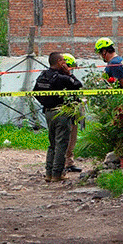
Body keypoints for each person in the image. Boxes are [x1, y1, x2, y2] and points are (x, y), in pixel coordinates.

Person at [33, 52, 83, 182]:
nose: (66, 65)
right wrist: (69, 73)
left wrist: (46, 103)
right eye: (64, 62)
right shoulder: (62, 77)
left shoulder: (43, 76)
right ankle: (57, 174)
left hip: (48, 112)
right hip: (61, 112)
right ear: (60, 62)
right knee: (61, 144)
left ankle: (49, 173)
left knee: (52, 144)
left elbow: (35, 92)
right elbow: (78, 85)